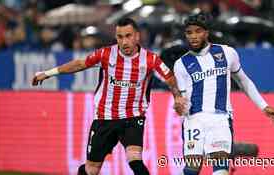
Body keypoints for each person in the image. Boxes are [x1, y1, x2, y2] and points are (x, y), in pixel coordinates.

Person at [32, 18, 186, 175]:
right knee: (91, 170)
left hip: (132, 117)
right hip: (105, 118)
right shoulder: (106, 54)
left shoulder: (150, 59)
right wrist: (47, 73)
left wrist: (177, 97)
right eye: (120, 37)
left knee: (135, 160)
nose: (124, 41)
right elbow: (79, 64)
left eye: (128, 36)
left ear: (137, 36)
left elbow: (169, 78)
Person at [173, 13, 274, 175]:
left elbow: (244, 81)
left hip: (220, 119)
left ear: (206, 33)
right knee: (191, 170)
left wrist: (263, 105)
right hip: (194, 121)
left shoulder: (227, 53)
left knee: (221, 170)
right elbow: (183, 100)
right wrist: (179, 106)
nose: (193, 36)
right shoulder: (181, 64)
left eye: (198, 31)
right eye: (189, 32)